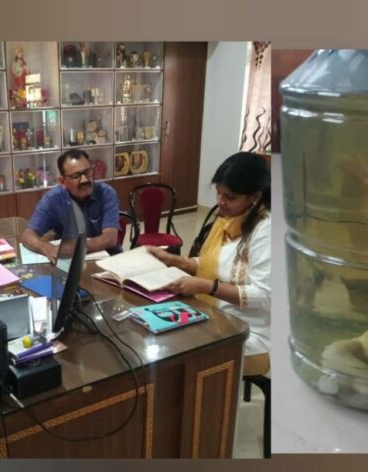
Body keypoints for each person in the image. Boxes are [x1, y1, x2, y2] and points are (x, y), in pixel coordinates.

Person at [148, 152, 271, 356]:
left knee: (175, 346)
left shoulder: (265, 230)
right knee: (159, 325)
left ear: (255, 197)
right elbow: (215, 262)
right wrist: (176, 261)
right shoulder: (229, 222)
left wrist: (207, 287)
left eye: (230, 197)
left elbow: (266, 296)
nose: (221, 202)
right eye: (218, 193)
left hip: (249, 330)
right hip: (217, 313)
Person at [21, 149, 120, 261]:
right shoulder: (53, 199)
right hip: (70, 262)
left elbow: (110, 238)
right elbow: (28, 235)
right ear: (62, 181)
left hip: (108, 259)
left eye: (87, 173)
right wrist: (48, 249)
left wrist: (76, 248)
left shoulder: (106, 193)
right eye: (76, 176)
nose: (84, 180)